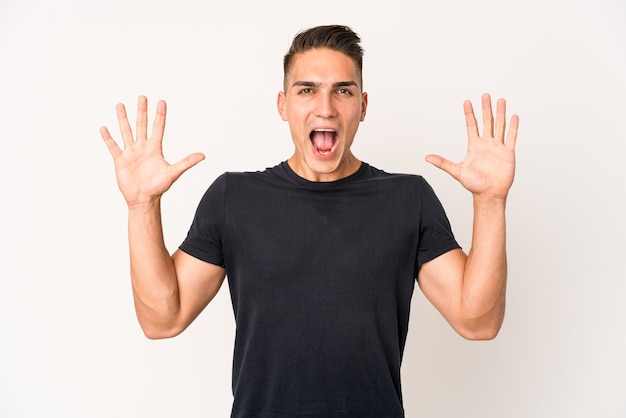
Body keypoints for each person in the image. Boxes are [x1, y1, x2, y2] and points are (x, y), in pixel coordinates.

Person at [100, 25, 518, 418]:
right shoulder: (235, 199)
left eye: (343, 91)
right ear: (283, 105)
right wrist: (141, 206)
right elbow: (162, 320)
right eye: (307, 90)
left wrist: (491, 201)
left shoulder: (408, 199)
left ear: (363, 105)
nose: (326, 107)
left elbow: (477, 321)